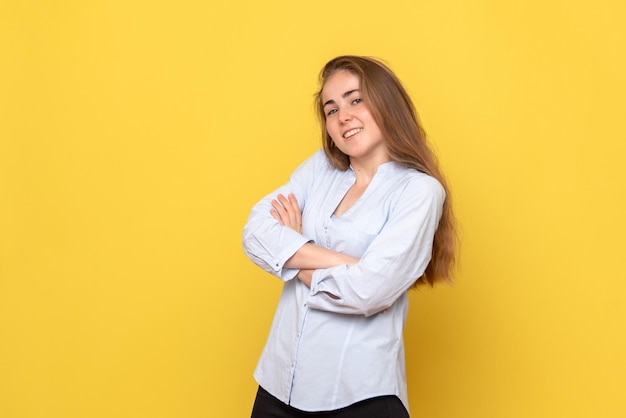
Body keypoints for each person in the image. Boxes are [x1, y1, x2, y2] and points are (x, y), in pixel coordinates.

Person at [242, 55, 457, 418]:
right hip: (277, 388)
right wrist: (351, 265)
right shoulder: (320, 169)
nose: (343, 117)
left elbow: (369, 292)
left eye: (356, 99)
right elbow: (255, 233)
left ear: (386, 103)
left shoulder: (419, 191)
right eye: (331, 109)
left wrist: (291, 252)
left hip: (359, 396)